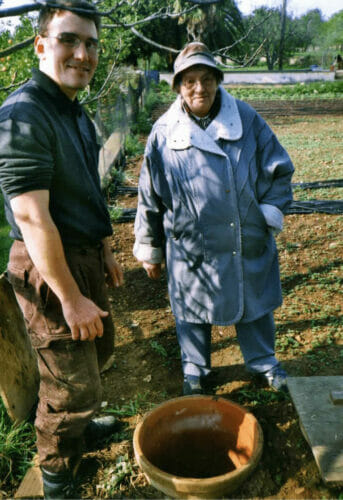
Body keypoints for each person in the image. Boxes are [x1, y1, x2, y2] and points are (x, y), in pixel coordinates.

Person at [0, 0, 124, 497]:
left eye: (91, 43)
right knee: (70, 383)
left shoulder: (72, 108)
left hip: (84, 255)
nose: (83, 53)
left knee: (96, 354)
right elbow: (32, 216)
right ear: (40, 44)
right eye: (69, 39)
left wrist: (108, 248)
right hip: (49, 268)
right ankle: (55, 476)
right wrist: (70, 297)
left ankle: (78, 428)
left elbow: (87, 190)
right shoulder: (24, 113)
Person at [133, 42, 294, 397]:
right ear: (177, 87)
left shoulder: (247, 119)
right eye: (189, 81)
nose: (199, 89)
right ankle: (195, 368)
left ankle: (264, 362)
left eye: (207, 79)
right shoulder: (163, 132)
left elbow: (279, 169)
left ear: (218, 81)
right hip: (190, 243)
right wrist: (151, 249)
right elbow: (150, 195)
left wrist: (266, 215)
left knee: (253, 300)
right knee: (191, 306)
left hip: (244, 237)